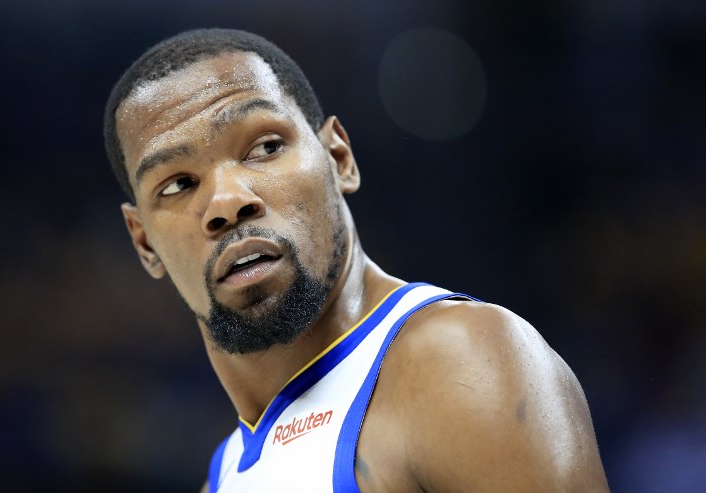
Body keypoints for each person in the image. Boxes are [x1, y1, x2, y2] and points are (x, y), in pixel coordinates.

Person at [103, 28, 609, 492]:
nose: (228, 202)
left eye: (264, 147)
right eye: (178, 184)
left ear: (339, 158)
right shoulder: (226, 472)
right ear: (144, 242)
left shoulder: (457, 360)